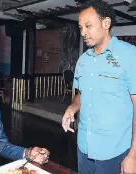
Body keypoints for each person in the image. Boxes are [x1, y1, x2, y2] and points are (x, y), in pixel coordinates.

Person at [62, 0, 136, 174]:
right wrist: (72, 108)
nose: (83, 32)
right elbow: (81, 94)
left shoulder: (130, 55)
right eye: (80, 28)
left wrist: (133, 155)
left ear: (106, 23)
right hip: (84, 148)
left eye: (88, 26)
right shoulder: (83, 60)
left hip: (116, 152)